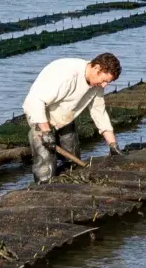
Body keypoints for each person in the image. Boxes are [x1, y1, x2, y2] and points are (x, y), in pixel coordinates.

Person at [23, 51, 122, 181]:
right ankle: (44, 188)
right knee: (46, 166)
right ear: (97, 68)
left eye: (107, 82)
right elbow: (34, 101)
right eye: (104, 80)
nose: (104, 85)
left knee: (73, 162)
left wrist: (113, 145)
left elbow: (99, 113)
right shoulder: (67, 75)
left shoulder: (96, 85)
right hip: (40, 116)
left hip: (64, 118)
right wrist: (46, 132)